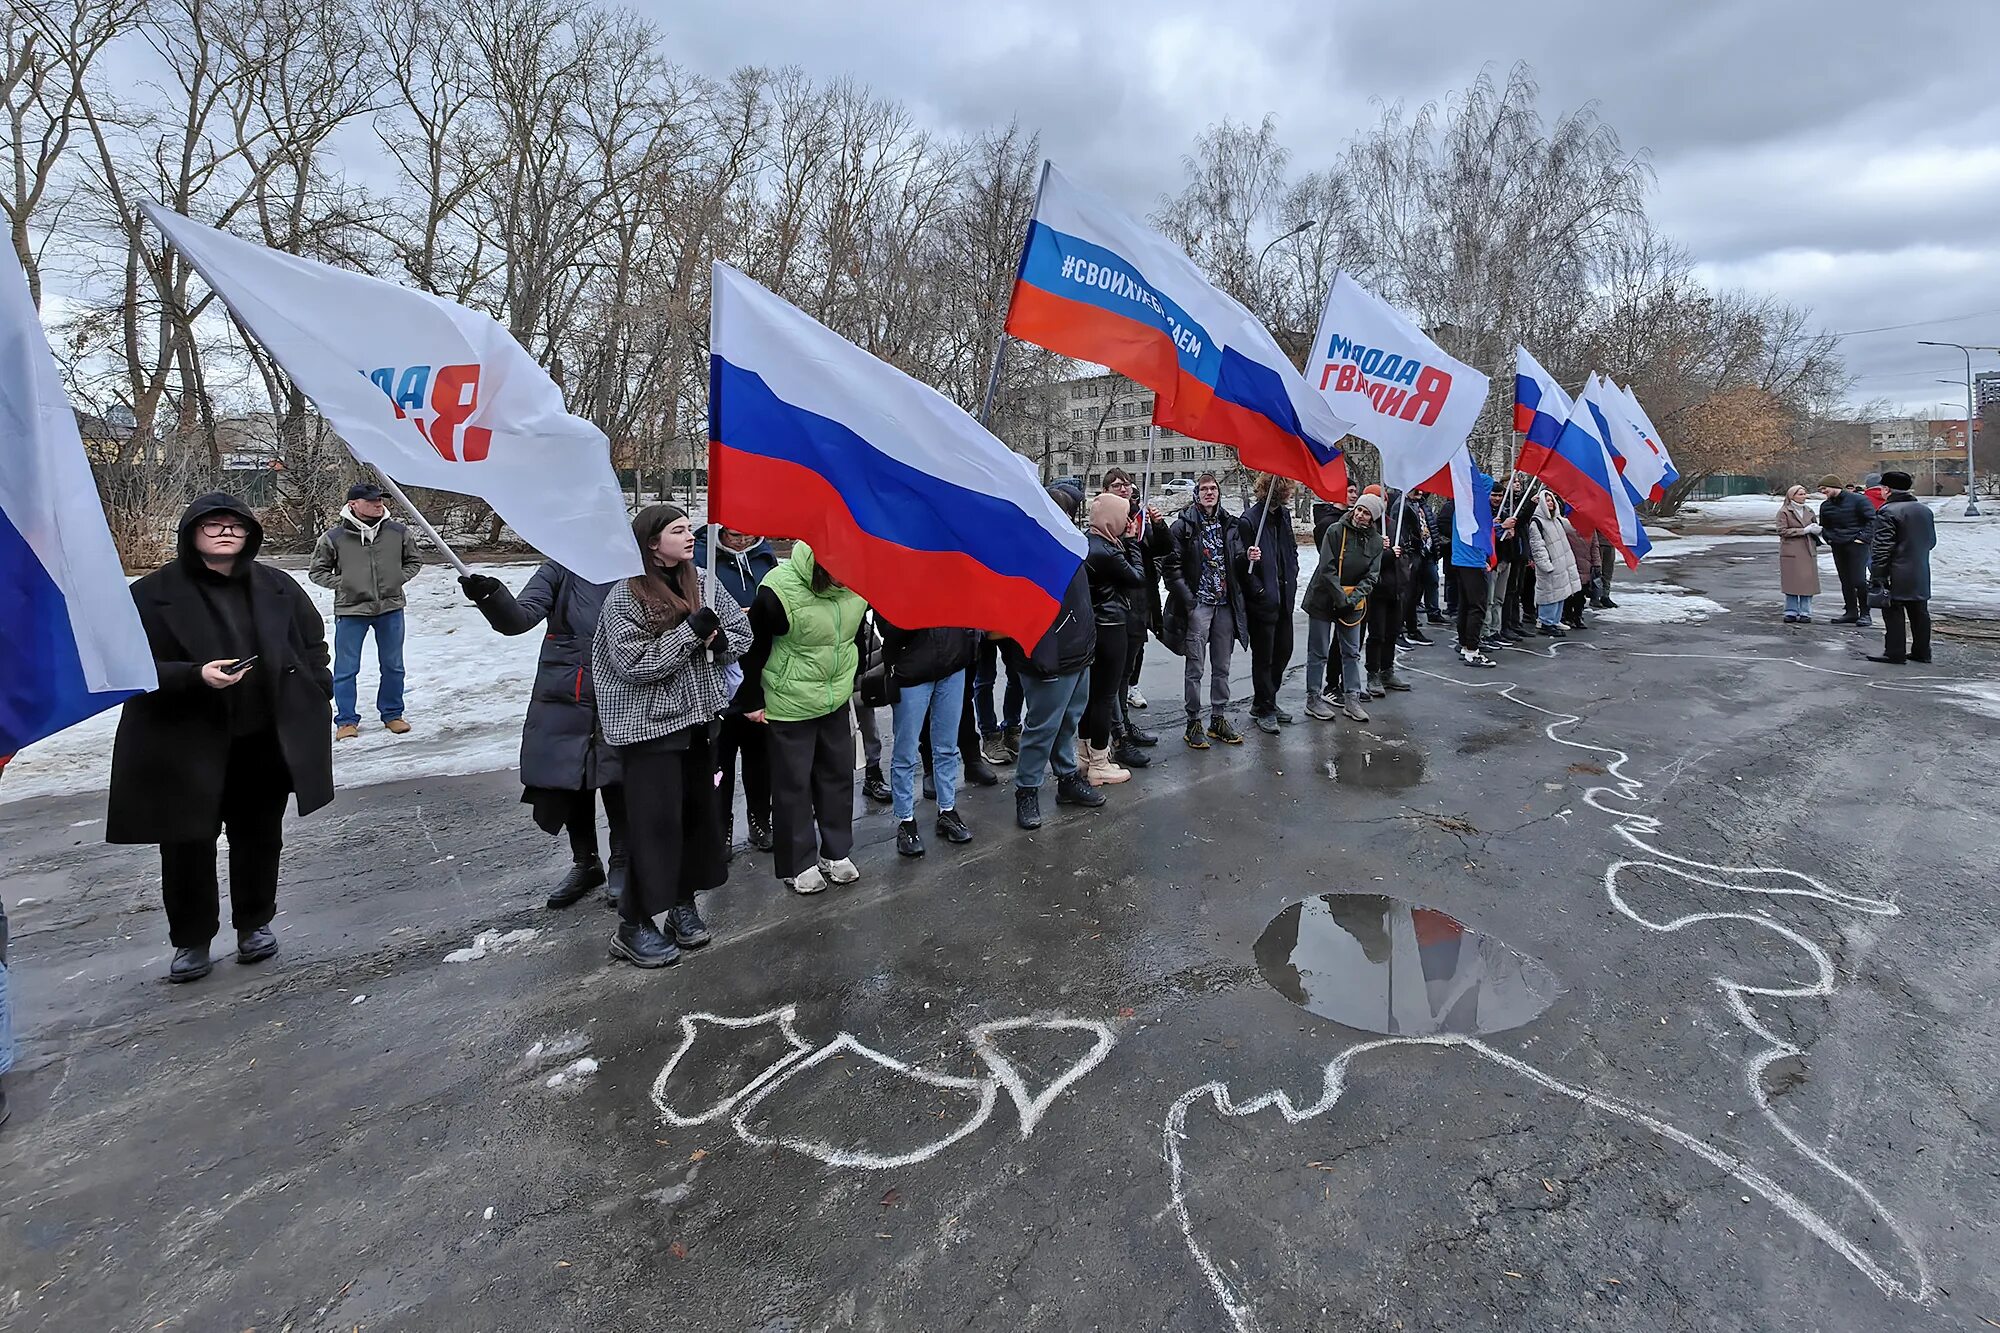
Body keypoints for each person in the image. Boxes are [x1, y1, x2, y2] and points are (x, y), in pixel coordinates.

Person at [107, 494, 334, 982]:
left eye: (236, 525)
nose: (226, 532)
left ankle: (255, 925)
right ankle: (192, 941)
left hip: (263, 737)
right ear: (191, 533)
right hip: (184, 741)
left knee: (259, 837)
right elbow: (126, 666)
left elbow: (312, 644)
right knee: (187, 843)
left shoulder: (277, 585)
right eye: (213, 525)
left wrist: (318, 689)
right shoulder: (151, 593)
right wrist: (193, 675)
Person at [591, 504, 750, 967]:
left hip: (700, 724)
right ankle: (633, 924)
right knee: (655, 828)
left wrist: (721, 643)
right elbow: (636, 665)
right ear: (651, 542)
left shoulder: (703, 579)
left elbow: (741, 634)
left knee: (695, 821)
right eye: (678, 531)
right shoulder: (626, 593)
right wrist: (690, 634)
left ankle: (682, 904)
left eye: (689, 529)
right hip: (651, 731)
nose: (689, 536)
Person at [460, 559, 627, 909]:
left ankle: (623, 863)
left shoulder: (633, 566)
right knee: (569, 777)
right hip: (566, 690)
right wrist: (490, 595)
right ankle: (586, 862)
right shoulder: (561, 568)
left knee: (618, 777)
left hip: (622, 688)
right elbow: (518, 619)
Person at [737, 543, 867, 895]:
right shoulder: (777, 589)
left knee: (837, 776)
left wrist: (854, 679)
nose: (847, 577)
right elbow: (753, 647)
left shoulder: (858, 582)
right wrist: (750, 699)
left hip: (834, 699)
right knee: (793, 785)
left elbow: (854, 638)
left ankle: (836, 852)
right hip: (789, 702)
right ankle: (799, 863)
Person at [1008, 485, 1103, 829]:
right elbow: (1023, 610)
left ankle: (1067, 779)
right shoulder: (1029, 548)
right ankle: (1027, 789)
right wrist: (1040, 656)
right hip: (1048, 657)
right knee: (1042, 727)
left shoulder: (1070, 541)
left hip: (1078, 652)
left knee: (1068, 722)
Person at [310, 481, 423, 740]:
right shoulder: (334, 538)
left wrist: (398, 578)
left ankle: (393, 714)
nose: (378, 504)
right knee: (346, 669)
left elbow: (414, 560)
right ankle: (346, 721)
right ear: (353, 504)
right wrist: (345, 584)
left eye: (380, 500)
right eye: (371, 501)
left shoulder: (398, 532)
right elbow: (317, 571)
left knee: (394, 665)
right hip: (351, 609)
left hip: (391, 607)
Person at [693, 525, 781, 856]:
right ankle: (720, 827)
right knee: (719, 761)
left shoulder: (764, 557)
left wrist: (758, 616)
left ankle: (760, 820)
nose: (742, 541)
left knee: (760, 758)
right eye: (734, 535)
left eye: (748, 535)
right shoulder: (702, 559)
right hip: (718, 677)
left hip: (758, 674)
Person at [877, 616, 979, 857]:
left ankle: (947, 809)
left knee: (947, 747)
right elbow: (888, 628)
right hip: (911, 670)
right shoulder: (893, 581)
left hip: (951, 664)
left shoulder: (949, 578)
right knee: (906, 751)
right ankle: (906, 820)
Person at [1162, 473, 1249, 748]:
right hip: (1198, 605)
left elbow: (1235, 559)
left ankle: (1218, 718)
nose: (1209, 492)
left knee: (1222, 665)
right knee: (1195, 666)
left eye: (1213, 488)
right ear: (1196, 494)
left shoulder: (1230, 524)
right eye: (1204, 489)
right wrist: (1189, 602)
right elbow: (1171, 569)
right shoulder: (1182, 526)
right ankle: (1193, 721)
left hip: (1224, 604)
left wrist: (1247, 556)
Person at [1302, 493, 1384, 722]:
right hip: (1323, 598)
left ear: (1373, 518)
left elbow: (1372, 576)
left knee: (1351, 652)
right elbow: (1327, 568)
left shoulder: (1376, 541)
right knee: (1318, 652)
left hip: (1353, 602)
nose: (1360, 515)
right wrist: (1341, 598)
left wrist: (1353, 599)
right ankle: (1313, 699)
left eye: (1366, 513)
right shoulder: (1336, 531)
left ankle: (1352, 699)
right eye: (1359, 509)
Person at [1081, 491, 1146, 782]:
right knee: (1105, 697)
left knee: (1091, 697)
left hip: (1093, 627)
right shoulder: (1107, 551)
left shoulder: (1087, 541)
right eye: (1124, 517)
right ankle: (1099, 762)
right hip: (1110, 627)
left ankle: (1084, 757)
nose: (1127, 522)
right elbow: (1137, 577)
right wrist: (1132, 544)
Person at [1103, 468, 1165, 766]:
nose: (1124, 489)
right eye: (1117, 485)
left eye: (1127, 485)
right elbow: (1127, 572)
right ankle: (1118, 736)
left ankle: (1125, 725)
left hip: (1140, 607)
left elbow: (1162, 551)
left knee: (1127, 674)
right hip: (1117, 610)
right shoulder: (1107, 525)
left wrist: (1158, 525)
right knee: (1113, 678)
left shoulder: (1138, 519)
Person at [1239, 475, 1302, 735]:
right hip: (1264, 600)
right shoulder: (1250, 520)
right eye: (1283, 488)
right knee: (1263, 657)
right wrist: (1260, 590)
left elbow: (1291, 550)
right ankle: (1264, 708)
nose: (1287, 493)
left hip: (1284, 597)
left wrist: (1294, 571)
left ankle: (1265, 701)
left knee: (1284, 650)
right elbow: (1242, 565)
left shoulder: (1283, 517)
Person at [1867, 470, 1938, 666]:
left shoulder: (1887, 511)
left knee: (1893, 611)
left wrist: (1878, 574)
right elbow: (1931, 541)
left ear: (1886, 489)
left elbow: (1882, 546)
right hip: (1920, 568)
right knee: (1920, 612)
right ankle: (1922, 652)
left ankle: (1895, 652)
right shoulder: (1924, 510)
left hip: (1896, 570)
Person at [1366, 488, 1420, 695]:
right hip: (1377, 589)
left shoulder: (1393, 525)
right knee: (1377, 634)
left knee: (1392, 632)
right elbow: (1369, 560)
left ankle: (1387, 670)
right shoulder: (1368, 528)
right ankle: (1373, 673)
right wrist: (1386, 552)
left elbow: (1405, 549)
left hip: (1397, 587)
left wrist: (1406, 562)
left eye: (1383, 499)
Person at [1449, 473, 1499, 669]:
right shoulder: (1477, 509)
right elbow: (1484, 534)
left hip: (1460, 561)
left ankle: (1464, 644)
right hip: (1472, 562)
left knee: (1466, 605)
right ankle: (1472, 650)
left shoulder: (1462, 508)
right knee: (1477, 606)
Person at [1817, 475, 1877, 628]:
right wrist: (1829, 539)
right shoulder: (1826, 506)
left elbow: (1872, 520)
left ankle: (1865, 613)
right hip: (1838, 545)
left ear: (1834, 486)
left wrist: (1863, 538)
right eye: (1821, 490)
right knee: (1845, 580)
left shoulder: (1859, 500)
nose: (1823, 492)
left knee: (1859, 580)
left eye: (1825, 488)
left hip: (1857, 544)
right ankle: (1851, 611)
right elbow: (1825, 525)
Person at [1526, 490, 1582, 637]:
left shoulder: (1556, 519)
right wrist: (1545, 564)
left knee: (1560, 593)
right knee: (1549, 594)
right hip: (1550, 564)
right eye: (1548, 501)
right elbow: (1537, 546)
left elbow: (1573, 527)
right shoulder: (1537, 522)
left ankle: (1555, 620)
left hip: (1561, 563)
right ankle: (1546, 622)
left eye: (1552, 500)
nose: (1550, 503)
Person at [1775, 484, 1823, 623]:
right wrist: (1803, 531)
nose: (1804, 496)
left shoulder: (1809, 510)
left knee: (1808, 583)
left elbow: (1814, 525)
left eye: (1804, 493)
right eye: (1800, 494)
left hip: (1808, 550)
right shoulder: (1785, 511)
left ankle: (1805, 612)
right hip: (1791, 551)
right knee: (1792, 582)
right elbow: (1781, 531)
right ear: (1792, 496)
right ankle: (1790, 611)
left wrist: (1816, 529)